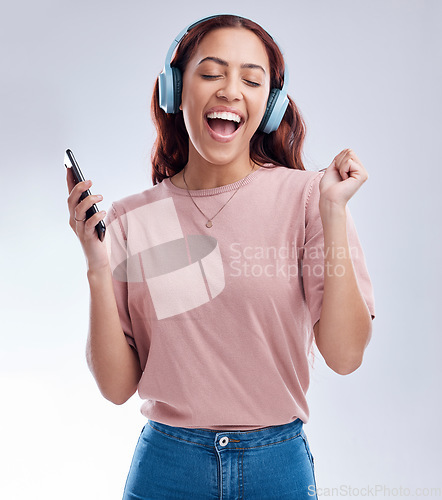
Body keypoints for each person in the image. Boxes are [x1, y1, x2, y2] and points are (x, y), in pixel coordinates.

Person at [66, 13, 376, 500]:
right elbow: (117, 387)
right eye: (211, 73)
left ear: (268, 105)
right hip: (166, 467)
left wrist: (333, 212)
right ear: (175, 91)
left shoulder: (312, 198)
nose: (231, 90)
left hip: (277, 466)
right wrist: (96, 265)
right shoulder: (132, 219)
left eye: (252, 80)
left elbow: (345, 355)